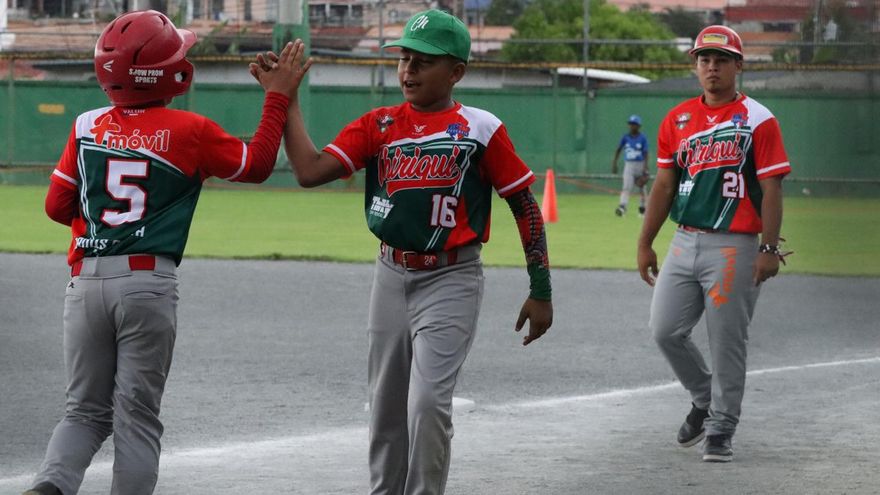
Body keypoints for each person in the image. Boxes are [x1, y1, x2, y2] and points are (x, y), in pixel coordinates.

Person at [251, 9, 553, 494]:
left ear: (456, 72)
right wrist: (285, 99)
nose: (408, 70)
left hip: (452, 278)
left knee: (428, 403)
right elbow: (308, 170)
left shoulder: (481, 129)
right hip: (390, 275)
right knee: (386, 408)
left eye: (423, 61)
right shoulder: (381, 123)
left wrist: (541, 289)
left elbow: (524, 205)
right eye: (404, 59)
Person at [24, 10, 302, 495]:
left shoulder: (86, 125)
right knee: (136, 417)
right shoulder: (189, 129)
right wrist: (277, 96)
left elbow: (55, 206)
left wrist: (104, 230)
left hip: (85, 282)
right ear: (168, 72)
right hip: (146, 283)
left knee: (84, 412)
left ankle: (49, 486)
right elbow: (258, 164)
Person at [636, 25, 791, 463]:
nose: (712, 67)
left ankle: (722, 427)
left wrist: (768, 248)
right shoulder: (678, 119)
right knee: (665, 329)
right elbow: (664, 185)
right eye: (704, 59)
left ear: (738, 66)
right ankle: (705, 398)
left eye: (721, 60)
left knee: (727, 341)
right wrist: (646, 242)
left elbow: (772, 188)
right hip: (685, 240)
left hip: (735, 246)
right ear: (695, 66)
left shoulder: (757, 119)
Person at [611, 114, 650, 217]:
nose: (632, 126)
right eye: (631, 124)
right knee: (626, 186)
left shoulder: (642, 138)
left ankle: (643, 209)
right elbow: (618, 149)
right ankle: (622, 207)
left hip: (640, 164)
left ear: (639, 126)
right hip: (629, 165)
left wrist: (645, 167)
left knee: (642, 188)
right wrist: (614, 163)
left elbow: (646, 153)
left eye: (634, 124)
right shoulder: (626, 137)